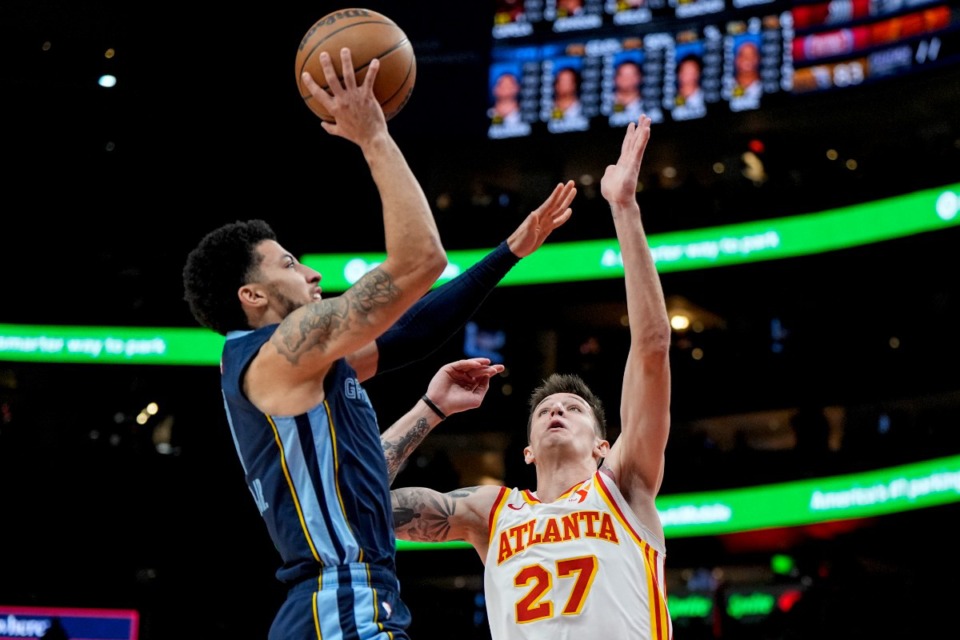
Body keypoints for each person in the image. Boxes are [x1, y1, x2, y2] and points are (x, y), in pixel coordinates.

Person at [181, 46, 578, 640]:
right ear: (253, 297)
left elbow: (413, 332)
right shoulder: (274, 356)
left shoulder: (303, 369)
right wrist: (373, 137)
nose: (312, 275)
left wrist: (509, 252)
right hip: (343, 605)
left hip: (340, 606)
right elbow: (421, 260)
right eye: (290, 264)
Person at [390, 115, 674, 640]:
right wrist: (428, 411)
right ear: (526, 452)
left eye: (573, 409)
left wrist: (624, 208)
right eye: (545, 410)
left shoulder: (624, 486)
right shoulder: (490, 510)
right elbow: (357, 501)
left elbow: (652, 348)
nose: (556, 411)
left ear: (603, 445)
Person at [672, 53, 706, 121]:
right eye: (684, 71)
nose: (686, 76)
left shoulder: (705, 99)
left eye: (690, 72)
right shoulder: (670, 100)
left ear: (698, 74)